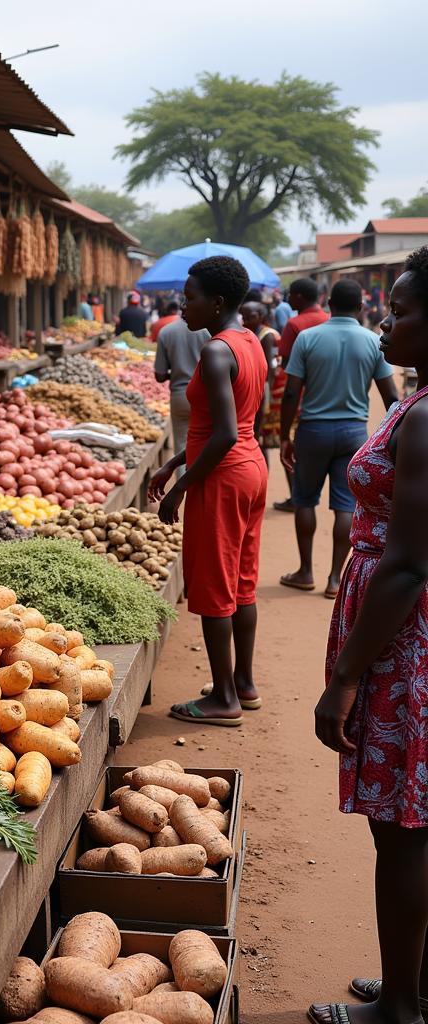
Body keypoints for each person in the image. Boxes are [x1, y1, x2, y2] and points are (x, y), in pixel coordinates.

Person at [308, 246, 428, 1024]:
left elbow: (408, 567)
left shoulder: (425, 421)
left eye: (405, 310)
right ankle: (414, 986)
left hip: (404, 641)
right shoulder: (416, 403)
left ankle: (402, 1010)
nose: (388, 319)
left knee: (403, 831)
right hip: (406, 632)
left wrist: (346, 678)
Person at [147, 256, 268, 727]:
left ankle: (223, 698)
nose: (183, 303)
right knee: (241, 582)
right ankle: (244, 684)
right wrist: (173, 462)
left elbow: (223, 435)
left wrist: (180, 489)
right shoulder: (249, 341)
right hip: (249, 470)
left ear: (217, 302)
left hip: (223, 476)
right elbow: (231, 424)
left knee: (216, 587)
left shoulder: (216, 351)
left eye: (191, 295)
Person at [276, 279, 398, 599]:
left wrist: (285, 435)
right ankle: (334, 579)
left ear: (329, 303)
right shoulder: (374, 341)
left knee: (304, 499)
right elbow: (392, 398)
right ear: (361, 307)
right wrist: (390, 441)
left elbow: (291, 392)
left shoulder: (308, 338)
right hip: (354, 432)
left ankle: (305, 571)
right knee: (345, 505)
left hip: (313, 430)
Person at [272, 277, 330, 511]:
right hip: (326, 394)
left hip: (299, 398)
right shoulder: (328, 320)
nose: (288, 298)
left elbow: (287, 365)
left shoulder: (295, 324)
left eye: (292, 294)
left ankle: (296, 497)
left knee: (291, 449)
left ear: (300, 297)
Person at [154, 310, 210, 462]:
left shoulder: (166, 332)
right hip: (205, 396)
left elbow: (159, 375)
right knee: (205, 445)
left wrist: (177, 372)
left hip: (179, 395)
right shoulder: (208, 331)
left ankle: (182, 485)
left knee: (181, 448)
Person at [239, 301, 278, 467]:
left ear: (261, 316)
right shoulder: (248, 333)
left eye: (251, 317)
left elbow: (268, 369)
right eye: (244, 317)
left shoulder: (265, 335)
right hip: (252, 388)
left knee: (256, 434)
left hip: (261, 389)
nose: (246, 320)